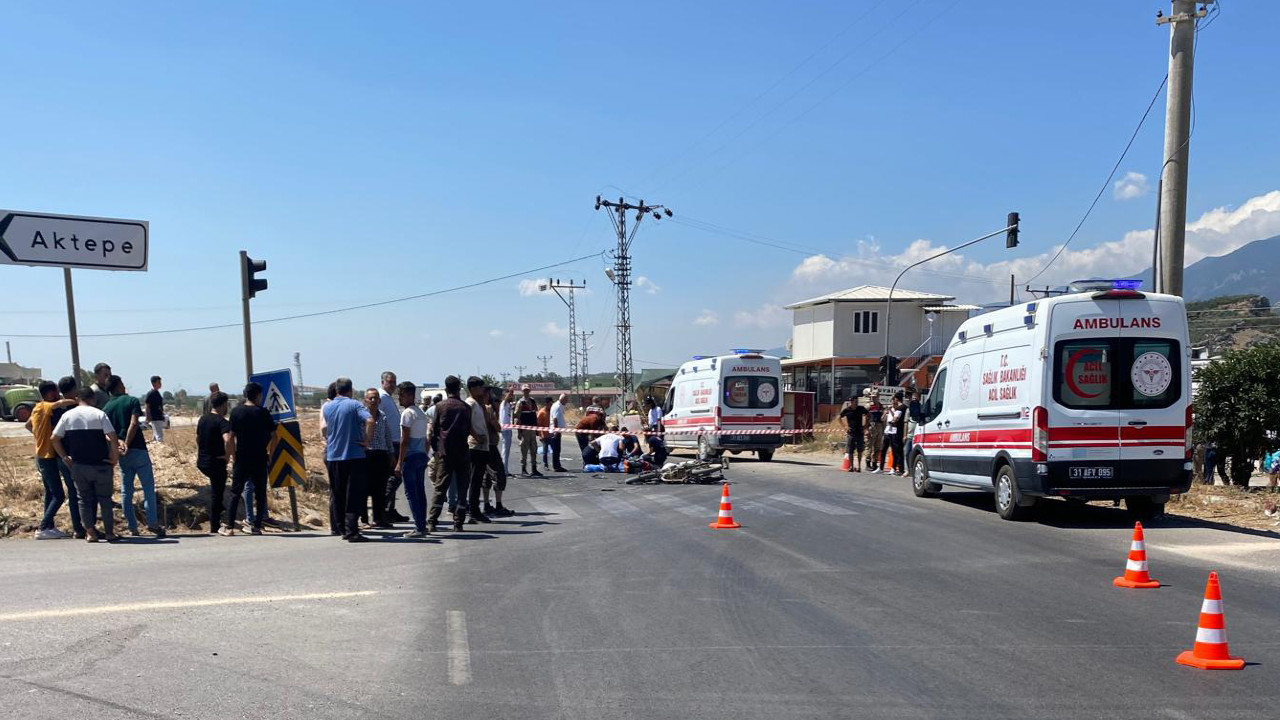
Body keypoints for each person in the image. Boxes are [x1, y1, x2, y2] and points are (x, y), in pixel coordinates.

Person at [52, 387, 121, 543]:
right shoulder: (99, 414)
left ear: (78, 399)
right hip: (101, 464)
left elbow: (54, 438)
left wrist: (64, 457)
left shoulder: (67, 416)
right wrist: (114, 457)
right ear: (93, 399)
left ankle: (90, 533)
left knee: (83, 499)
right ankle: (109, 533)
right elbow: (112, 436)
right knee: (105, 499)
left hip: (79, 465)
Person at [103, 375, 165, 537]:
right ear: (119, 386)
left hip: (122, 454)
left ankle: (132, 527)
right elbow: (133, 423)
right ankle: (152, 523)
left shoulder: (106, 408)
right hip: (137, 449)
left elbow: (106, 433)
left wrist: (119, 444)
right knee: (148, 488)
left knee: (126, 491)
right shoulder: (131, 401)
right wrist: (128, 443)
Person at [322, 377, 371, 542]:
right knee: (353, 495)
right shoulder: (355, 404)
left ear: (336, 390)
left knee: (338, 493)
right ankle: (352, 531)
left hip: (333, 455)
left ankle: (341, 527)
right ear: (350, 390)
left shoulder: (327, 407)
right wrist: (367, 441)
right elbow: (370, 420)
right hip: (353, 455)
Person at [26, 380, 78, 539]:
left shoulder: (36, 409)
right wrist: (79, 401)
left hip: (41, 455)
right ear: (49, 393)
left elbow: (28, 425)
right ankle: (42, 527)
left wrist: (40, 435)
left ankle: (49, 526)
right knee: (59, 495)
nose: (58, 395)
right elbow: (61, 403)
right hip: (47, 457)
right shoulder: (45, 406)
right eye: (55, 392)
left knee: (50, 492)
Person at [226, 381, 277, 535]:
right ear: (258, 395)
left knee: (236, 493)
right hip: (260, 457)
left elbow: (229, 439)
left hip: (242, 457)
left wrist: (233, 456)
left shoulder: (236, 412)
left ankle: (229, 527)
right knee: (260, 493)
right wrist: (271, 455)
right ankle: (257, 526)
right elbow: (275, 436)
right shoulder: (263, 413)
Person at [427, 375, 472, 532]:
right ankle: (458, 522)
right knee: (462, 488)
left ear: (446, 390)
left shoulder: (440, 407)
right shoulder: (466, 408)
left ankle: (432, 521)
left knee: (440, 489)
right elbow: (468, 430)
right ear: (459, 389)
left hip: (445, 453)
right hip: (462, 452)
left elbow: (434, 431)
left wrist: (437, 450)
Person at [395, 381, 431, 537]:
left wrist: (399, 463)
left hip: (411, 457)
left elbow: (405, 440)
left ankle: (419, 527)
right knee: (420, 492)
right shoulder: (421, 413)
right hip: (421, 455)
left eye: (401, 395)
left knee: (411, 493)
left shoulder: (407, 413)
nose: (400, 398)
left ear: (409, 395)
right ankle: (422, 524)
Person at [197, 392, 233, 535]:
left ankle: (219, 512)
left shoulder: (202, 419)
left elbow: (198, 439)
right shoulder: (222, 422)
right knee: (217, 494)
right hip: (216, 462)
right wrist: (228, 456)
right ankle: (215, 525)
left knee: (216, 490)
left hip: (202, 461)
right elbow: (228, 440)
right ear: (224, 404)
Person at [378, 371, 409, 523]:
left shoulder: (388, 398)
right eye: (390, 382)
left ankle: (390, 510)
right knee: (393, 478)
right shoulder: (381, 397)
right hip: (389, 444)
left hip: (396, 442)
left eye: (394, 382)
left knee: (394, 477)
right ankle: (382, 510)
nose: (393, 385)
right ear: (383, 382)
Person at [363, 387, 395, 528]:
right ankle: (364, 520)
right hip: (366, 455)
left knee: (380, 489)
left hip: (381, 455)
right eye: (371, 398)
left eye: (376, 398)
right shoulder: (361, 416)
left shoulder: (383, 416)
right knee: (363, 489)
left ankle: (379, 519)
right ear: (365, 400)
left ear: (379, 400)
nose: (373, 400)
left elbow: (388, 436)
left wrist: (391, 454)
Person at [463, 377, 492, 523]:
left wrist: (483, 405)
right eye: (480, 388)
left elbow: (486, 422)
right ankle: (473, 511)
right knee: (475, 480)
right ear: (473, 389)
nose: (483, 391)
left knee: (478, 479)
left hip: (483, 447)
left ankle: (474, 510)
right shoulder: (469, 404)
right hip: (475, 446)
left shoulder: (478, 404)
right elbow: (467, 423)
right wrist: (476, 436)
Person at [482, 388, 512, 517]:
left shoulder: (476, 408)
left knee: (486, 476)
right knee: (499, 474)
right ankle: (498, 505)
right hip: (490, 446)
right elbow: (497, 427)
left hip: (482, 446)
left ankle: (486, 505)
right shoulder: (488, 409)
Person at [515, 385, 542, 477]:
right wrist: (519, 431)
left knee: (534, 449)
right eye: (524, 390)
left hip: (532, 429)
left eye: (527, 390)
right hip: (525, 430)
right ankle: (523, 469)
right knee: (524, 449)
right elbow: (517, 418)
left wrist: (537, 429)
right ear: (522, 391)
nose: (526, 392)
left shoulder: (533, 401)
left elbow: (535, 414)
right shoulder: (520, 402)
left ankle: (534, 469)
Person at [879, 394, 906, 476]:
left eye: (894, 401)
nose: (893, 404)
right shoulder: (903, 408)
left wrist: (892, 414)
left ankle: (896, 468)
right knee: (884, 450)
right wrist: (886, 412)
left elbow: (895, 419)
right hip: (888, 432)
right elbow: (882, 419)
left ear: (897, 400)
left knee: (896, 451)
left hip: (895, 432)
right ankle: (881, 468)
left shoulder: (900, 408)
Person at [838, 398, 868, 473]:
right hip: (851, 432)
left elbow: (869, 415)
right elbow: (839, 418)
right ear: (851, 402)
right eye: (855, 402)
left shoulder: (861, 408)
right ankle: (851, 466)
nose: (856, 403)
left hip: (860, 432)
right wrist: (845, 427)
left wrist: (866, 425)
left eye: (857, 402)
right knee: (850, 450)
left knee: (860, 450)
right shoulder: (847, 410)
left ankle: (859, 466)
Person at [549, 393, 569, 472]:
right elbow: (555, 419)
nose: (567, 402)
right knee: (556, 450)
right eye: (566, 400)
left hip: (556, 431)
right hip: (555, 432)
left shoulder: (559, 405)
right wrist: (556, 431)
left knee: (557, 449)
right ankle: (556, 466)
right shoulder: (557, 406)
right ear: (563, 399)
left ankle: (557, 465)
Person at [864, 394, 885, 471]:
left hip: (879, 426)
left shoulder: (880, 406)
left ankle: (874, 463)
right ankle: (868, 463)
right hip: (871, 426)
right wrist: (866, 429)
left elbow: (883, 418)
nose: (873, 398)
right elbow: (864, 418)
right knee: (869, 445)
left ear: (878, 397)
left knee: (877, 446)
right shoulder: (868, 406)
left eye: (875, 396)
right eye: (872, 397)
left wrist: (883, 428)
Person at [144, 375, 166, 442]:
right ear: (154, 383)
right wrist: (148, 417)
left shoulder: (157, 393)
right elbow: (147, 406)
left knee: (156, 434)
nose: (160, 384)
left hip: (158, 416)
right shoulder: (151, 394)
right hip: (155, 417)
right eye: (158, 382)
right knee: (159, 435)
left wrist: (162, 414)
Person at [497, 388, 514, 476]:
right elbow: (507, 397)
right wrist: (510, 392)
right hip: (505, 430)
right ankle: (503, 470)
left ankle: (505, 469)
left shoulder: (508, 405)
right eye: (508, 394)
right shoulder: (503, 404)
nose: (511, 395)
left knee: (507, 451)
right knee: (505, 450)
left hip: (508, 429)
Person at [904, 389, 924, 459]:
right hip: (909, 436)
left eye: (916, 399)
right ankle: (909, 468)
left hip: (918, 436)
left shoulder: (921, 408)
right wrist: (905, 435)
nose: (914, 400)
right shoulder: (909, 409)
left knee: (915, 454)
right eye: (913, 399)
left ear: (919, 398)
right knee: (907, 453)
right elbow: (906, 423)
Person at [537, 397, 552, 470]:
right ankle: (545, 465)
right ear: (547, 403)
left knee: (555, 450)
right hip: (544, 435)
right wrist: (541, 434)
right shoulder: (542, 412)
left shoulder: (551, 411)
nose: (551, 405)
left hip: (551, 434)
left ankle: (556, 464)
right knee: (545, 451)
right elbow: (538, 424)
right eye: (550, 403)